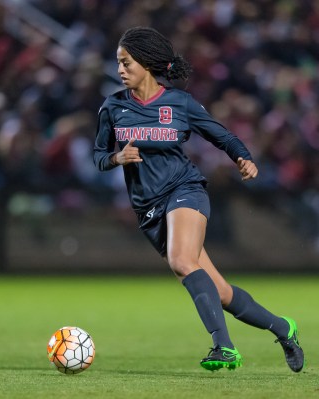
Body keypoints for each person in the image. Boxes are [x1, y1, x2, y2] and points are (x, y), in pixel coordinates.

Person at [93, 26, 304, 372]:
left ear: (146, 63)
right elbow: (99, 156)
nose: (120, 70)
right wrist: (116, 158)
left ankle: (224, 347)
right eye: (118, 63)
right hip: (148, 209)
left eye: (126, 63)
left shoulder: (179, 103)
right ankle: (284, 328)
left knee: (181, 260)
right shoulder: (113, 107)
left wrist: (243, 157)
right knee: (220, 292)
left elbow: (221, 135)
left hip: (184, 190)